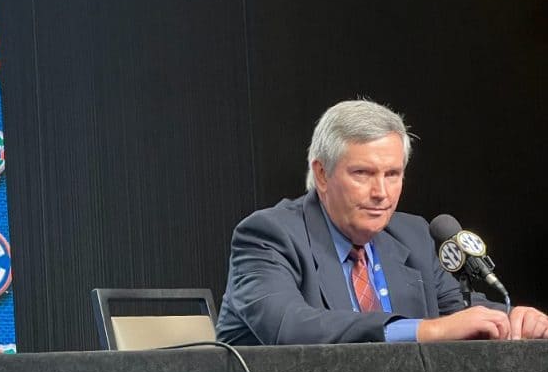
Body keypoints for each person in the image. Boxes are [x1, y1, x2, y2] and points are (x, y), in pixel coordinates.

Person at [215, 99, 548, 345]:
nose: (381, 192)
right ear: (322, 174)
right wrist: (424, 330)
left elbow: (456, 311)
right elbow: (290, 328)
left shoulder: (411, 235)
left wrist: (514, 319)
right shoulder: (267, 235)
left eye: (392, 174)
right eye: (363, 173)